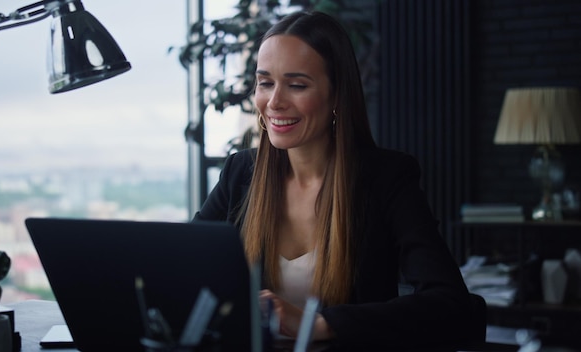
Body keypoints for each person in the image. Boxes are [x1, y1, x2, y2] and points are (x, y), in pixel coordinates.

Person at [193, 10, 480, 349]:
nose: (274, 102)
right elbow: (184, 271)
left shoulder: (386, 178)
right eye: (265, 82)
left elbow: (454, 308)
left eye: (297, 85)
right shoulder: (239, 173)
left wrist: (319, 323)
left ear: (337, 95)